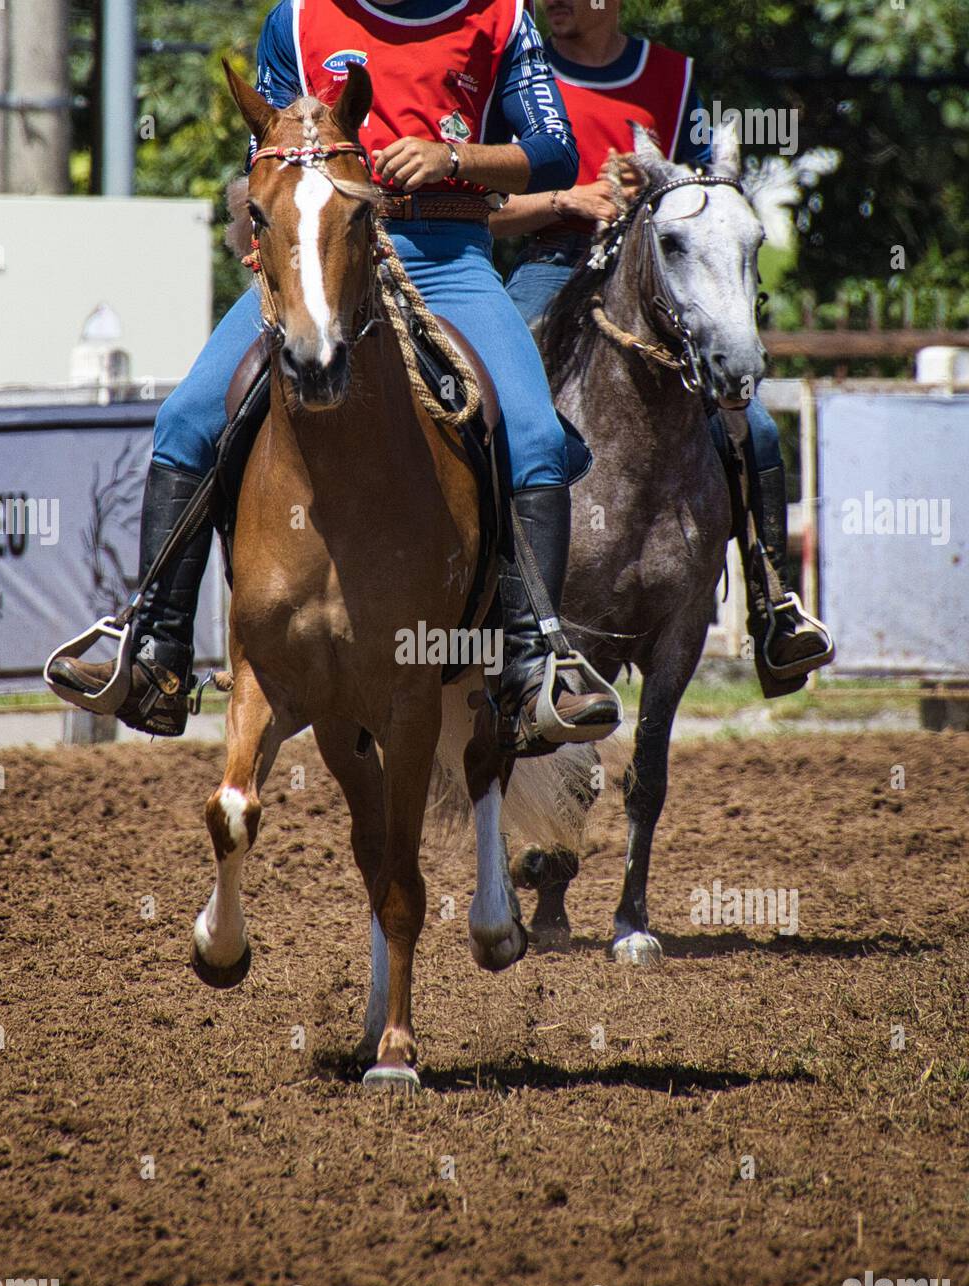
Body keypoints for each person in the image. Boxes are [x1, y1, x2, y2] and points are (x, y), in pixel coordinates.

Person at [51, 0, 621, 749]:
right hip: (315, 258)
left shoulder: (503, 16)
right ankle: (154, 652)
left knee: (537, 435)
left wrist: (453, 159)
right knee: (186, 418)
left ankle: (533, 665)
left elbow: (554, 151)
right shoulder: (295, 17)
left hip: (449, 256)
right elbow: (268, 147)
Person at [491, 0, 833, 683]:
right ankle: (484, 604)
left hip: (660, 287)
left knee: (754, 428)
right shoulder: (517, 77)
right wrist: (572, 200)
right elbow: (489, 212)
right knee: (491, 403)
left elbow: (713, 190)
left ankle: (772, 608)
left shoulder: (672, 78)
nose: (548, 6)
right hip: (552, 264)